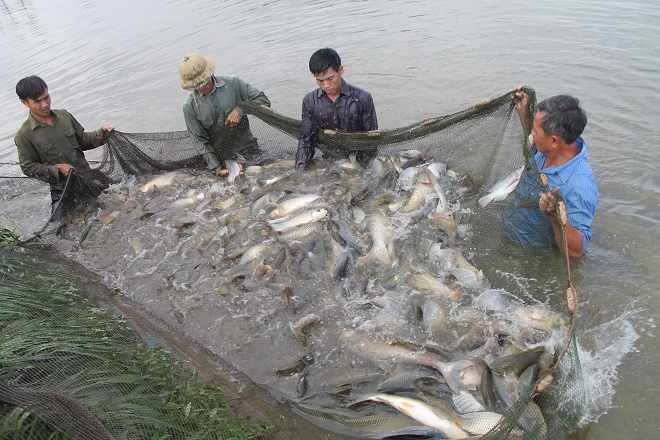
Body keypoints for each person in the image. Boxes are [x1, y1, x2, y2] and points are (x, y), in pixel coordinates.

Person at [505, 88, 598, 259]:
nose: (531, 134)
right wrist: (524, 114)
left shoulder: (579, 186)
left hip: (529, 252)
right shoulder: (546, 147)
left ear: (554, 141)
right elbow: (534, 143)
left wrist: (555, 216)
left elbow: (576, 252)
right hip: (510, 222)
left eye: (535, 131)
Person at [14, 76, 114, 215]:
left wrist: (101, 133)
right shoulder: (24, 135)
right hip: (63, 190)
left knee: (118, 200)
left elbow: (82, 140)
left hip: (88, 178)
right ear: (25, 102)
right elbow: (28, 167)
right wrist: (57, 169)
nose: (45, 104)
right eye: (38, 101)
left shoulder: (64, 116)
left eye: (46, 97)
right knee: (60, 224)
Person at [179, 53, 271, 176]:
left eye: (203, 82)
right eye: (195, 85)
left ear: (209, 73)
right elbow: (200, 141)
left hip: (248, 148)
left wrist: (240, 110)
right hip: (221, 159)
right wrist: (216, 168)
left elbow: (263, 100)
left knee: (264, 173)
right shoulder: (189, 106)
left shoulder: (233, 83)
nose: (201, 87)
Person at [295, 48, 378, 171]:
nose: (326, 85)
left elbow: (371, 139)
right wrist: (300, 172)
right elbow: (306, 141)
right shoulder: (310, 101)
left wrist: (363, 169)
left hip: (359, 158)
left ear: (340, 70)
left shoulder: (363, 98)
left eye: (330, 78)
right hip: (330, 159)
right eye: (320, 80)